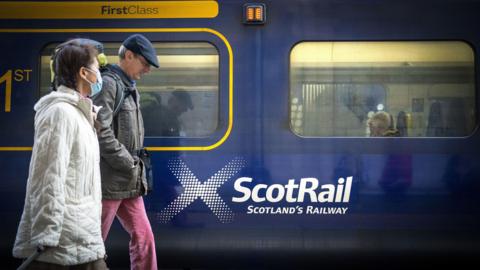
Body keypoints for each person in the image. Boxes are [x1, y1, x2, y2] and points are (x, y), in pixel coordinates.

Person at [12, 40, 107, 269]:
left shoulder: (81, 114)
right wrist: (46, 235)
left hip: (83, 235)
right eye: (97, 67)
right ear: (84, 73)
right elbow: (47, 176)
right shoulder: (59, 113)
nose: (100, 74)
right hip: (62, 241)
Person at [92, 34, 158, 270]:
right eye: (145, 63)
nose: (148, 70)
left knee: (144, 238)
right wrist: (127, 162)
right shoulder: (109, 84)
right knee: (92, 244)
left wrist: (132, 167)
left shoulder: (129, 86)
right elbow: (100, 131)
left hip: (129, 181)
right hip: (109, 181)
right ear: (128, 55)